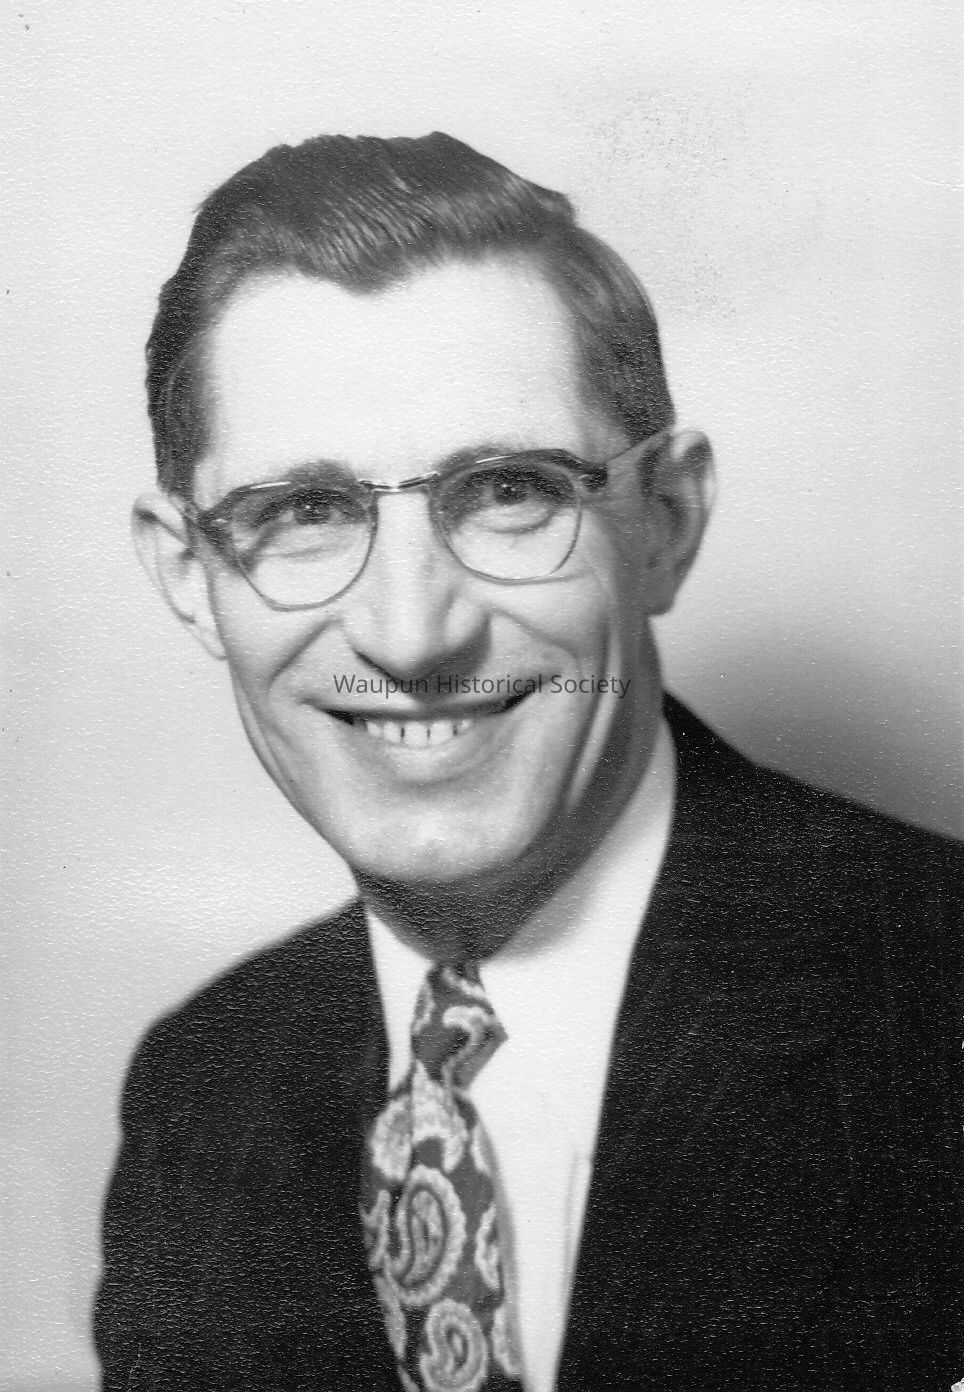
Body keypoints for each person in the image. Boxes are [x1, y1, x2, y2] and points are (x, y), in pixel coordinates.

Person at [95, 132, 962, 1392]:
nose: (410, 635)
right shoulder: (200, 1091)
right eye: (302, 512)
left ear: (664, 520)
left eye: (508, 489)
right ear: (188, 575)